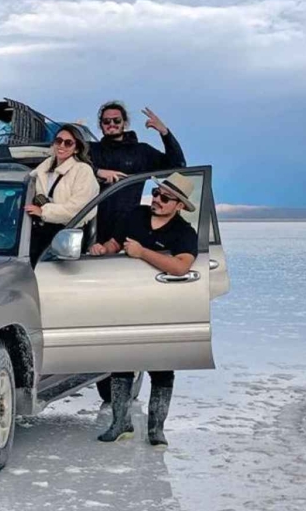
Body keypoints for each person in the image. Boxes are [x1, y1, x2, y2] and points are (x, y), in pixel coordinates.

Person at [89, 173, 199, 445]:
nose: (157, 200)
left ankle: (156, 430)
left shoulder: (184, 232)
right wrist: (104, 249)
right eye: (156, 193)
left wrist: (142, 253)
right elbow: (116, 242)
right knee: (122, 361)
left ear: (179, 205)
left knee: (162, 367)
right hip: (127, 299)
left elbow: (181, 266)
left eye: (165, 198)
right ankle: (120, 424)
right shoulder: (135, 215)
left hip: (162, 305)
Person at [89, 101, 186, 245]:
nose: (111, 124)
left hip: (128, 230)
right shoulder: (90, 150)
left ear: (125, 123)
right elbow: (69, 163)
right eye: (106, 121)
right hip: (92, 229)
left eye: (117, 120)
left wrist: (165, 133)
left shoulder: (141, 152)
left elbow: (178, 165)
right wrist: (98, 172)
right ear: (101, 125)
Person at [25, 124, 100, 262]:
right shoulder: (44, 168)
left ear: (76, 149)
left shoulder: (82, 170)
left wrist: (44, 212)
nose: (62, 146)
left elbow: (78, 210)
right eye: (58, 141)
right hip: (36, 235)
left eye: (68, 143)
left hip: (67, 239)